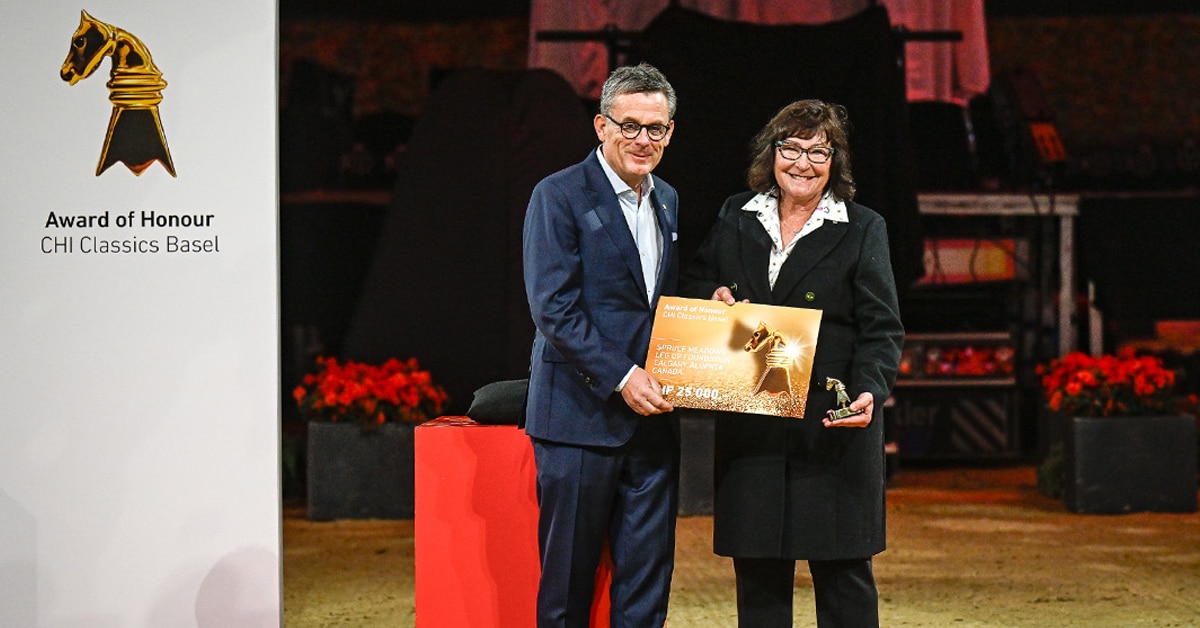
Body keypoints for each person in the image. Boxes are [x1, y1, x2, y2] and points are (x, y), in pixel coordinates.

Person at [681, 99, 904, 627]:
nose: (803, 163)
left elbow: (882, 328)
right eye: (792, 149)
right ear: (772, 153)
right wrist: (710, 297)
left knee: (844, 578)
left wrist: (871, 388)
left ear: (835, 161)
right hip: (751, 427)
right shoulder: (736, 215)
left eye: (818, 152)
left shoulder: (862, 227)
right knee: (758, 578)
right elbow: (693, 283)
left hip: (830, 430)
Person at [522, 63, 680, 628]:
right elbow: (554, 309)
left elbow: (655, 303)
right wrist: (622, 375)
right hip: (577, 420)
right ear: (601, 126)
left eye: (656, 128)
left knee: (646, 586)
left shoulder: (668, 200)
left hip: (654, 423)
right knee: (567, 585)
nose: (643, 139)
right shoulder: (558, 195)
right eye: (630, 125)